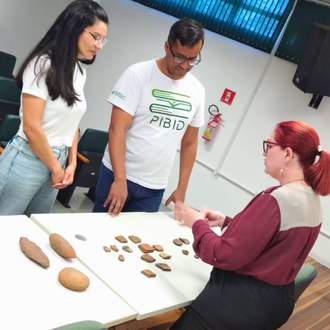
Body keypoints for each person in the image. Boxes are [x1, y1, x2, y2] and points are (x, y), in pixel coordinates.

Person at [171, 121, 330, 330]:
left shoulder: (276, 199)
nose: (264, 153)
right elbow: (273, 244)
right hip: (274, 306)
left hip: (237, 306)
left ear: (288, 154)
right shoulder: (313, 200)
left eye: (269, 146)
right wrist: (226, 222)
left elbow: (223, 255)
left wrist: (197, 224)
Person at [0, 0, 108, 216]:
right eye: (95, 36)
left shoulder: (80, 71)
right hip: (28, 157)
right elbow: (31, 127)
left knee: (33, 226)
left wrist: (71, 163)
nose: (100, 45)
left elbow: (73, 125)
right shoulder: (43, 64)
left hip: (56, 161)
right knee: (6, 229)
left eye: (103, 39)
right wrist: (56, 168)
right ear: (74, 29)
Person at [93, 17, 205, 217]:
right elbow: (117, 129)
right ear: (166, 46)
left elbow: (189, 143)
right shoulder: (138, 74)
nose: (185, 66)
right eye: (180, 57)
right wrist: (120, 179)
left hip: (154, 187)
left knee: (136, 245)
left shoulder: (197, 90)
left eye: (192, 60)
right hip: (117, 176)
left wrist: (182, 188)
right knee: (100, 235)